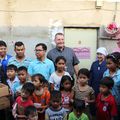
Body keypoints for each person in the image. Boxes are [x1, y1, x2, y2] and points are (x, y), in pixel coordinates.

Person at [103, 53, 120, 119]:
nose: (107, 65)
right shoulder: (105, 73)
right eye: (106, 63)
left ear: (116, 63)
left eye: (110, 63)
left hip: (117, 103)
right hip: (106, 101)